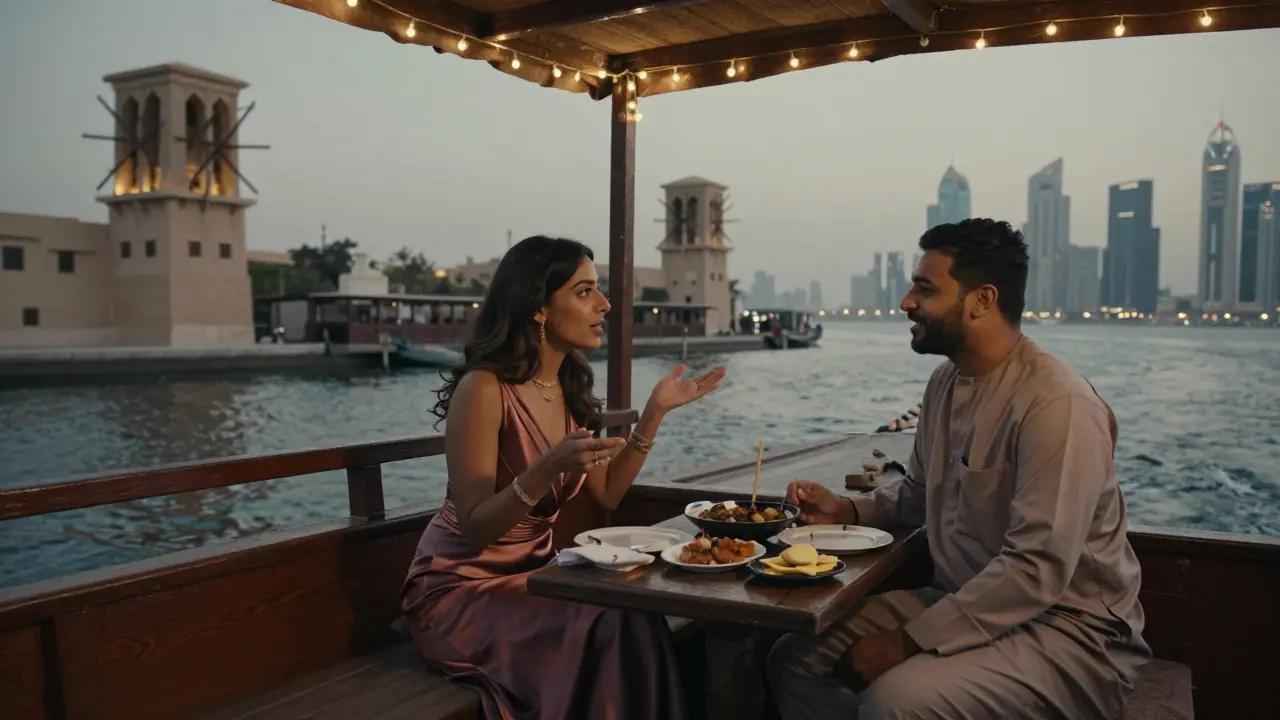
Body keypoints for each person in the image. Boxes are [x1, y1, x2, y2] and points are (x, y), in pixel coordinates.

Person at [769, 219, 1150, 719]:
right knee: (794, 659)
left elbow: (1036, 569)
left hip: (1069, 632)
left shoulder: (1057, 404)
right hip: (961, 600)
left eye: (925, 289)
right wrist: (846, 509)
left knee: (896, 702)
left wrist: (906, 642)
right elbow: (919, 494)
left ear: (982, 300)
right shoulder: (945, 384)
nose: (906, 302)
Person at [402, 235, 725, 720]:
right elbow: (472, 527)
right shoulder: (485, 388)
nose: (605, 304)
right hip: (462, 590)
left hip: (536, 578)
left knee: (635, 610)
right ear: (538, 307)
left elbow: (608, 492)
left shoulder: (569, 389)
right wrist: (546, 468)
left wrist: (654, 414)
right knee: (608, 619)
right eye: (584, 291)